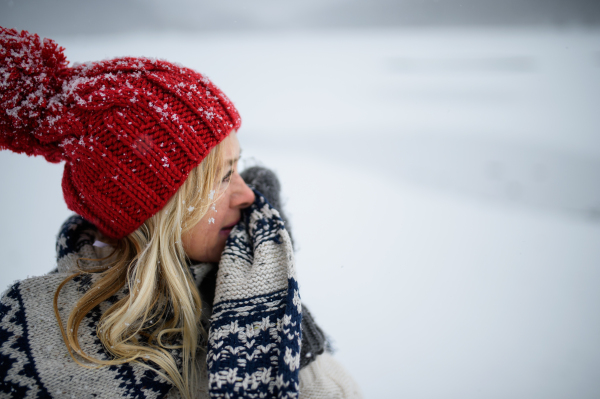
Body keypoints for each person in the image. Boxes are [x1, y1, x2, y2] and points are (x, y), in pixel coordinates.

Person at [0, 27, 362, 398]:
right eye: (223, 177)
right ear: (159, 212)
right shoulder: (31, 349)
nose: (248, 195)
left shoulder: (226, 295)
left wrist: (277, 307)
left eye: (239, 166)